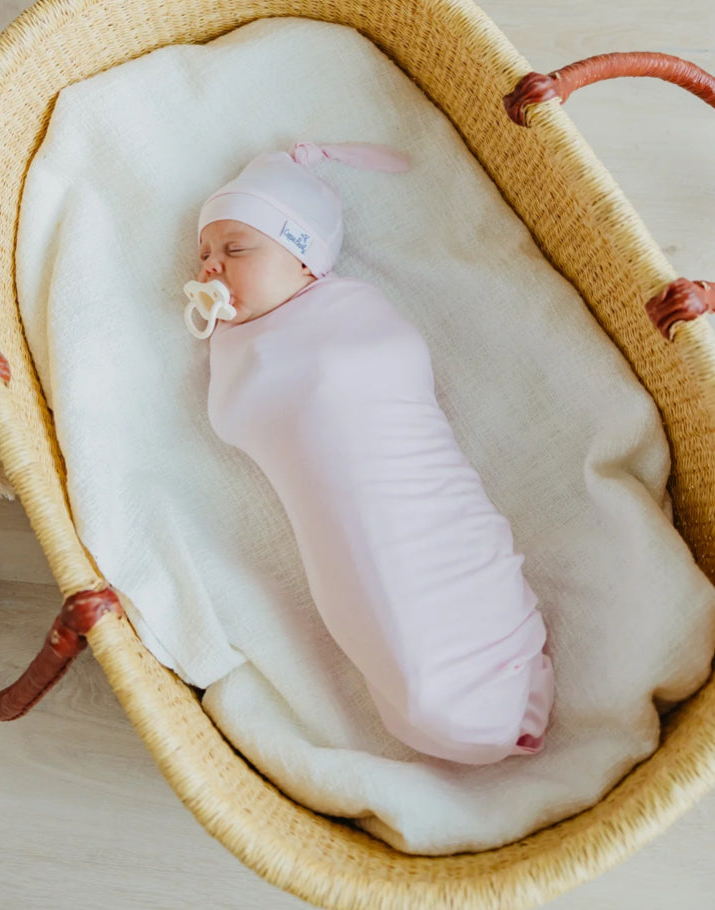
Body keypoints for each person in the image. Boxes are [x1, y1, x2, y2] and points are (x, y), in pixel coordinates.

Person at [192, 140, 554, 764]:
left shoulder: (351, 316)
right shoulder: (240, 347)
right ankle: (455, 705)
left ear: (306, 263)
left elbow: (367, 377)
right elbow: (247, 416)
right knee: (372, 597)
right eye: (203, 255)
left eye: (236, 249)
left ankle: (489, 676)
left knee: (429, 569)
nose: (211, 268)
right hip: (342, 525)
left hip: (416, 500)